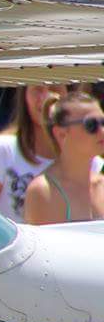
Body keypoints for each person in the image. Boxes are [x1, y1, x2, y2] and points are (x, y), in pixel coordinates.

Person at [0, 83, 74, 222]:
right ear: (24, 95)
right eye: (38, 89)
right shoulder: (0, 150)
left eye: (55, 88)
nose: (46, 97)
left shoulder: (89, 159)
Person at [22, 91, 104, 225]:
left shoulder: (102, 184)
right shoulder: (43, 191)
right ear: (61, 134)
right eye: (91, 125)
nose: (102, 131)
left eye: (103, 122)